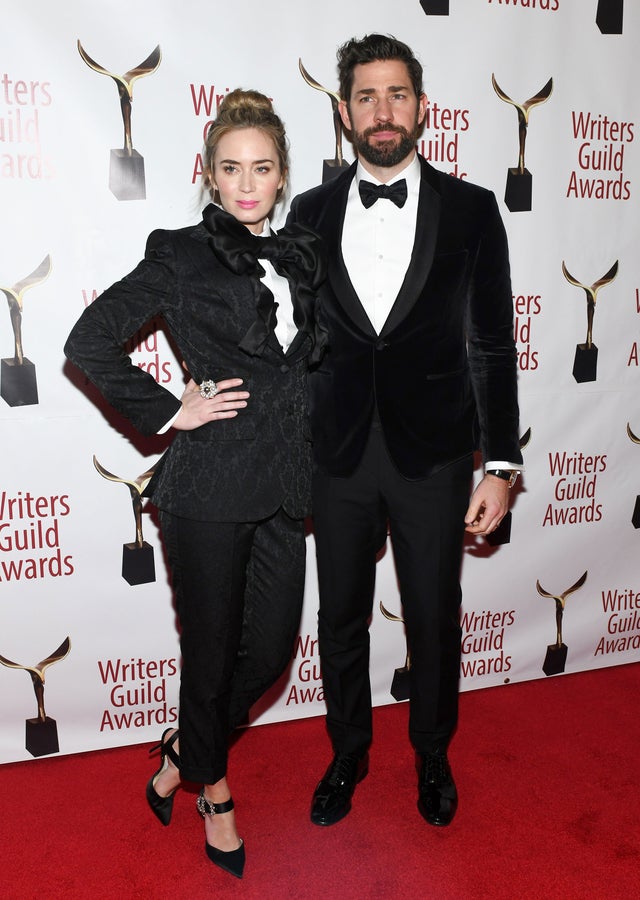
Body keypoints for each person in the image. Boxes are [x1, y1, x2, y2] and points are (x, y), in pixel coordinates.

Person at [65, 89, 326, 878]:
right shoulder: (178, 254)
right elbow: (90, 340)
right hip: (207, 491)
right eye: (231, 169)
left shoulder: (303, 255)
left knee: (273, 648)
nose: (248, 184)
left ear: (283, 177)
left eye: (263, 168)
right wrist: (172, 407)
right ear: (209, 175)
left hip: (285, 487)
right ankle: (213, 792)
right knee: (209, 658)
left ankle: (182, 746)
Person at [287, 34, 522, 828]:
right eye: (365, 96)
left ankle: (431, 752)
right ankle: (349, 748)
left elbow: (492, 341)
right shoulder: (309, 213)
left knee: (432, 611)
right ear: (344, 112)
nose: (381, 112)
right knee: (340, 614)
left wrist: (505, 464)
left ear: (420, 106)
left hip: (436, 453)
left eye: (396, 94)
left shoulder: (472, 208)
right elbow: (300, 342)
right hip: (339, 451)